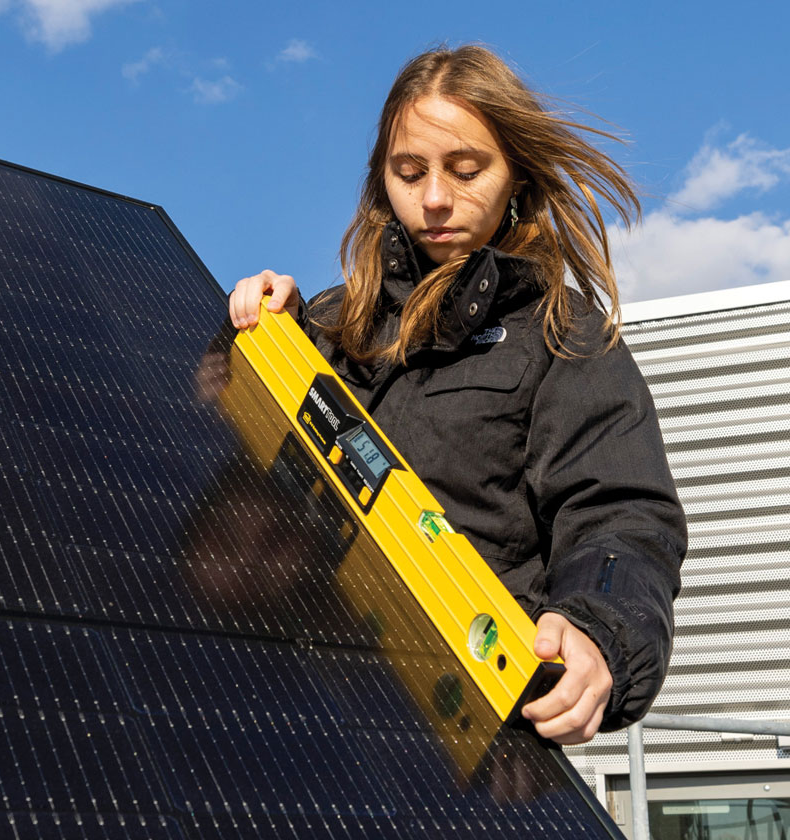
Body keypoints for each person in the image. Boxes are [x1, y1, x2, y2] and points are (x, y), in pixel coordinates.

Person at [228, 44, 687, 746]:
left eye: (466, 170)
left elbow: (620, 512)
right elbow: (233, 478)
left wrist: (601, 630)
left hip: (464, 742)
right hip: (296, 710)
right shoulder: (327, 323)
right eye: (409, 172)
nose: (435, 198)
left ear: (515, 177)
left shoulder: (566, 337)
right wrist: (257, 347)